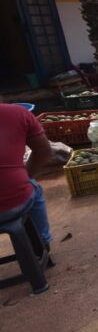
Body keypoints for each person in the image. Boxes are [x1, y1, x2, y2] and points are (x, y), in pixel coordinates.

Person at [0, 104, 53, 248]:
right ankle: (41, 243)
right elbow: (44, 151)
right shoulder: (18, 113)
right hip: (14, 201)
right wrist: (26, 177)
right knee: (33, 187)